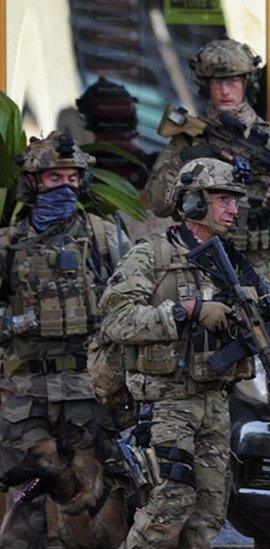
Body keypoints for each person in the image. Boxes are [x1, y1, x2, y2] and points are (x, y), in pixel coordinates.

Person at [101, 158, 270, 548]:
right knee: (168, 505)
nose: (233, 210)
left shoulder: (236, 262)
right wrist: (185, 312)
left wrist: (261, 304)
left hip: (216, 401)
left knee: (207, 514)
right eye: (223, 199)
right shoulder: (152, 255)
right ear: (192, 204)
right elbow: (116, 319)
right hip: (167, 400)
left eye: (235, 201)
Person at [0, 132, 129, 549]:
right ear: (34, 182)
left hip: (86, 391)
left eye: (73, 178)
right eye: (54, 178)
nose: (65, 187)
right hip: (25, 395)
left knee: (90, 500)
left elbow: (133, 301)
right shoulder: (7, 245)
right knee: (24, 501)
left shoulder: (105, 237)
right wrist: (14, 322)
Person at [145, 37, 270, 294]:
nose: (224, 91)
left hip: (260, 259)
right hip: (199, 254)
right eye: (217, 83)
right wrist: (184, 160)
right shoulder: (189, 138)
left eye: (232, 82)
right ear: (205, 86)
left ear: (247, 83)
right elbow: (158, 204)